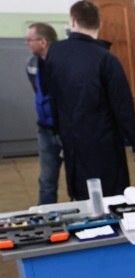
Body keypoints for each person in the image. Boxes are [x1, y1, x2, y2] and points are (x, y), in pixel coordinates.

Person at [45, 1, 135, 201]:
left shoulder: (55, 53)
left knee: (82, 195)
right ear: (100, 23)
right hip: (103, 144)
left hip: (71, 141)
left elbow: (52, 97)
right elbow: (123, 107)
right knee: (110, 198)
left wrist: (58, 133)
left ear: (73, 21)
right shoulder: (106, 59)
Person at [25, 22, 63, 205]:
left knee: (80, 177)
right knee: (47, 181)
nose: (27, 44)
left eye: (29, 40)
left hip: (66, 129)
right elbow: (38, 91)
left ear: (43, 41)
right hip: (45, 131)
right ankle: (47, 215)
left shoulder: (63, 63)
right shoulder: (31, 64)